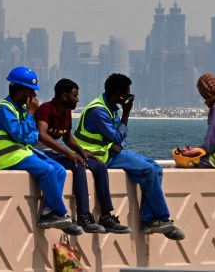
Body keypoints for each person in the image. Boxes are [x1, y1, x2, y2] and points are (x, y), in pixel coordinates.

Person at [75, 73, 185, 240]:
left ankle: (149, 219)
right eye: (128, 93)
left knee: (156, 167)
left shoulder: (111, 108)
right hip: (100, 157)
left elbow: (121, 138)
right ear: (120, 95)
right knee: (148, 170)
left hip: (111, 151)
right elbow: (119, 135)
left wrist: (119, 142)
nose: (130, 97)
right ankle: (162, 218)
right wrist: (126, 113)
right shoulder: (98, 111)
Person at [0, 67, 81, 234]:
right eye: (32, 92)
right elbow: (21, 135)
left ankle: (47, 213)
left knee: (59, 170)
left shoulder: (21, 111)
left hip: (24, 153)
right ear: (21, 92)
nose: (34, 97)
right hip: (10, 158)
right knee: (48, 170)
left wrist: (27, 121)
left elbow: (33, 137)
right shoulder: (4, 109)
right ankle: (61, 213)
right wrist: (30, 114)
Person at [35, 78, 130, 234]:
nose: (78, 99)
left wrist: (81, 151)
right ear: (64, 96)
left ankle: (106, 216)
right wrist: (69, 154)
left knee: (98, 166)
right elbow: (42, 135)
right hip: (41, 152)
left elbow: (67, 138)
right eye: (75, 96)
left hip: (55, 152)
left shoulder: (66, 112)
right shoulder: (46, 109)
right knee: (77, 166)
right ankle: (83, 216)